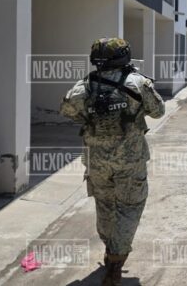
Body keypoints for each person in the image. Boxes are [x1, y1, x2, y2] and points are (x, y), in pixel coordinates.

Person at [60, 38, 165, 286]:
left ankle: (110, 249)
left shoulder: (85, 85)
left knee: (105, 206)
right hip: (130, 162)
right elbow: (158, 111)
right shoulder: (137, 83)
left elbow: (67, 110)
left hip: (97, 161)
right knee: (130, 207)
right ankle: (116, 260)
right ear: (123, 57)